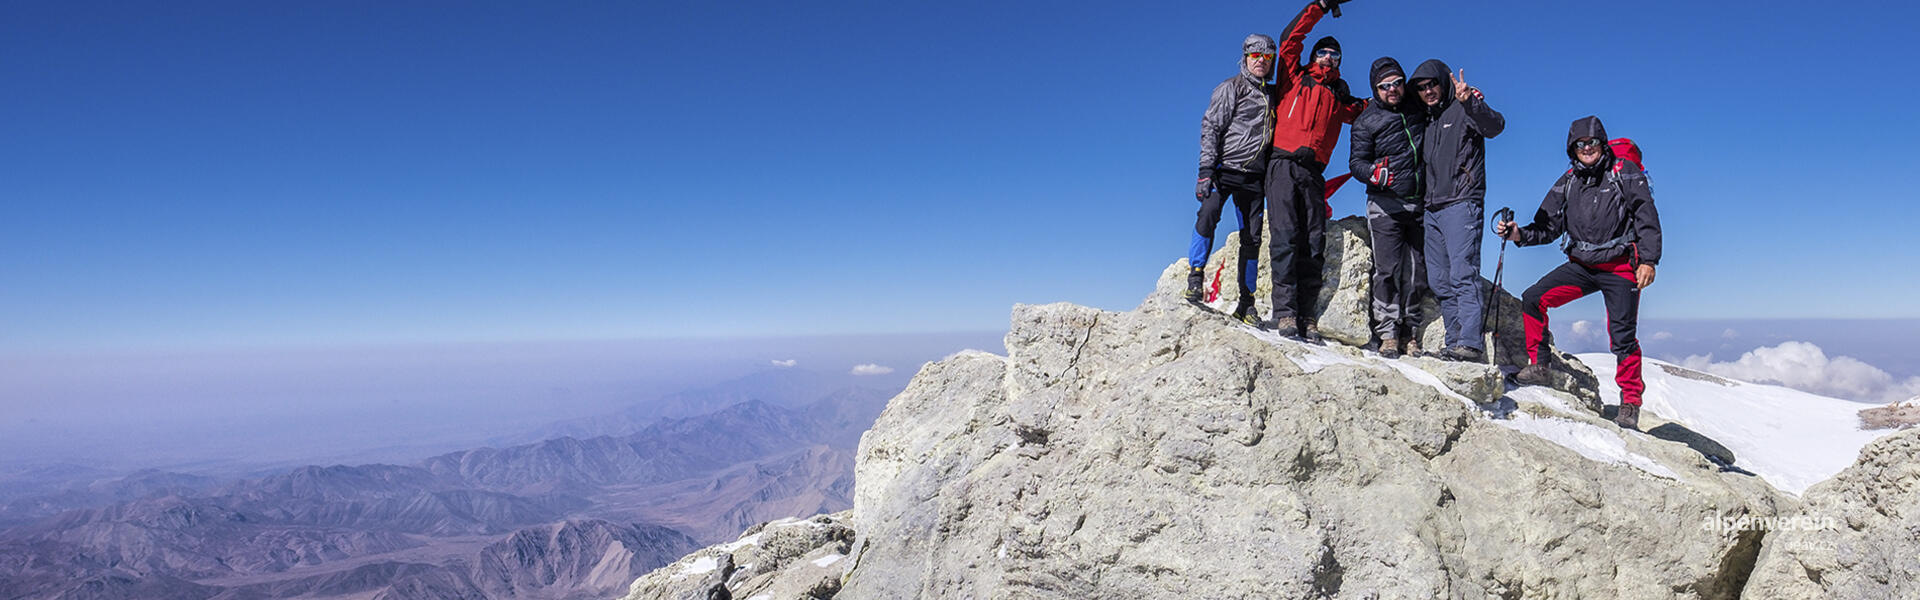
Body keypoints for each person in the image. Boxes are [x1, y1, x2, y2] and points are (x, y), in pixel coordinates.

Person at [1495, 115, 1662, 429]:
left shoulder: (1625, 173)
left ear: (1602, 143)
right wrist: (1519, 234)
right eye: (1581, 144)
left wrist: (1648, 261)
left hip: (1621, 267)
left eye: (1593, 143)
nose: (1587, 148)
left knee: (1623, 337)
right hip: (1582, 265)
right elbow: (1547, 226)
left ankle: (1630, 402)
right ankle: (1539, 366)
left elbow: (1646, 217)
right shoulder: (1569, 180)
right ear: (1572, 148)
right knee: (1533, 298)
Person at [1263, 0, 1366, 340]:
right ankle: (1286, 313)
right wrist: (1320, 6)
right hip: (1282, 164)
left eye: (1334, 56)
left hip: (1313, 174)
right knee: (1285, 238)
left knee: (1312, 243)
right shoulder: (1294, 77)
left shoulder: (1340, 97)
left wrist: (1402, 94)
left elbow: (1374, 108)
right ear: (1315, 55)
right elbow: (1289, 38)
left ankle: (1307, 315)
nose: (1327, 58)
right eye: (1323, 52)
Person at [1410, 59, 1504, 362]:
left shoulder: (1464, 108)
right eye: (1422, 88)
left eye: (1432, 84)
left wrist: (1471, 104)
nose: (1428, 91)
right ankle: (1454, 341)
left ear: (1443, 83)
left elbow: (1496, 126)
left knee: (1463, 273)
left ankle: (1470, 342)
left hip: (1462, 202)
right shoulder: (1429, 119)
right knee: (1439, 279)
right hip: (1433, 208)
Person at [1189, 34, 1278, 323]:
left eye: (1267, 57)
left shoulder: (1272, 94)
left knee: (1252, 238)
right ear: (1245, 58)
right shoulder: (1231, 87)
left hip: (1254, 177)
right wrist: (1205, 171)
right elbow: (1212, 127)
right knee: (1208, 214)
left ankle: (1247, 303)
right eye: (1255, 56)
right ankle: (1195, 275)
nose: (1261, 62)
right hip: (1224, 169)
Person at [1346, 57, 1427, 358]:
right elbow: (1356, 163)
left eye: (1397, 83)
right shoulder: (1365, 121)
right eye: (1384, 86)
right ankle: (1389, 333)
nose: (1392, 90)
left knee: (1419, 271)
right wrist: (1372, 173)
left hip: (1420, 203)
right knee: (1388, 271)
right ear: (1375, 88)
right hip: (1384, 204)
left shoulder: (1417, 107)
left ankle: (1412, 332)